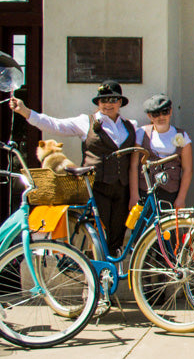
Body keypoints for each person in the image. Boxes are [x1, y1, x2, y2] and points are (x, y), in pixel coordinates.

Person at [10, 80, 137, 252]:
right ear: (98, 103)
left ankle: (112, 274)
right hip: (96, 187)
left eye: (113, 100)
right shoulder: (86, 122)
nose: (108, 104)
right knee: (98, 237)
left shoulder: (131, 126)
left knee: (118, 235)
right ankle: (94, 274)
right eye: (103, 100)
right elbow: (55, 125)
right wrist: (25, 112)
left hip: (122, 189)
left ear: (120, 102)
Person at [129, 94, 193, 209]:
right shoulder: (142, 133)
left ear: (171, 111)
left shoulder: (182, 136)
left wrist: (181, 198)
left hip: (171, 192)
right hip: (145, 190)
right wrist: (134, 195)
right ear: (149, 116)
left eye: (165, 112)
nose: (161, 117)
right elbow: (134, 165)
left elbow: (187, 169)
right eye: (156, 114)